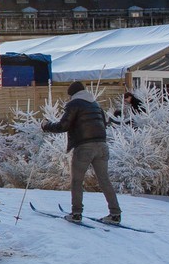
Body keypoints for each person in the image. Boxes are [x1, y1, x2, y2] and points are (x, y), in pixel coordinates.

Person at [42, 81, 123, 224]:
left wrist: (46, 126)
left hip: (84, 147)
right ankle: (115, 214)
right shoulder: (96, 104)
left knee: (77, 181)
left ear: (72, 94)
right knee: (104, 181)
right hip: (102, 146)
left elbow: (63, 125)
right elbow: (103, 124)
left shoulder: (74, 104)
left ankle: (76, 213)